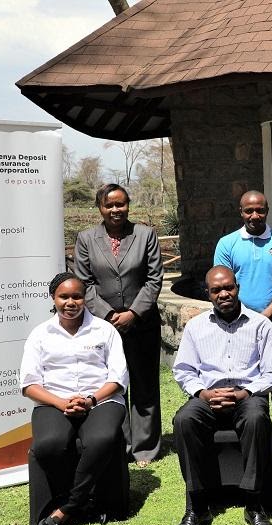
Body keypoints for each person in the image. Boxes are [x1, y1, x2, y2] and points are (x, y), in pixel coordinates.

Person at [169, 266, 272, 525]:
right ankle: (197, 506)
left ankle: (254, 504)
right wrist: (202, 393)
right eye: (216, 290)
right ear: (207, 294)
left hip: (247, 395)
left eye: (228, 288)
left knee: (257, 419)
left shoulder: (260, 324)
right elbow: (183, 370)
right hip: (208, 396)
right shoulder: (196, 327)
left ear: (237, 288)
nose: (224, 294)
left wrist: (245, 392)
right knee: (184, 419)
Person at [21, 272, 128, 525]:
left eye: (77, 296)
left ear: (85, 298)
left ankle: (67, 507)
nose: (71, 302)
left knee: (102, 438)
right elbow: (29, 383)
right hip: (55, 401)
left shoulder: (105, 330)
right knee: (49, 445)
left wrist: (90, 399)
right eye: (64, 296)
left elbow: (118, 377)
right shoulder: (40, 334)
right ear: (53, 298)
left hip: (101, 400)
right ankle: (75, 500)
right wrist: (60, 402)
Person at [74, 183, 163, 468]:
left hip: (143, 323)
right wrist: (109, 315)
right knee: (112, 384)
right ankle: (120, 442)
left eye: (121, 204)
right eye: (109, 205)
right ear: (99, 207)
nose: (116, 210)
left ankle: (145, 448)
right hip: (104, 326)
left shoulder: (145, 235)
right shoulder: (87, 239)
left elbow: (153, 279)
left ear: (129, 205)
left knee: (144, 384)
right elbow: (84, 282)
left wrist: (133, 314)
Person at [214, 190, 272, 455]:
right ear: (240, 212)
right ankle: (251, 425)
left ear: (267, 211)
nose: (254, 215)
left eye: (260, 210)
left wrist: (264, 316)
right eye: (248, 211)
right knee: (240, 374)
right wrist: (246, 316)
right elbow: (222, 284)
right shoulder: (227, 244)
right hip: (236, 324)